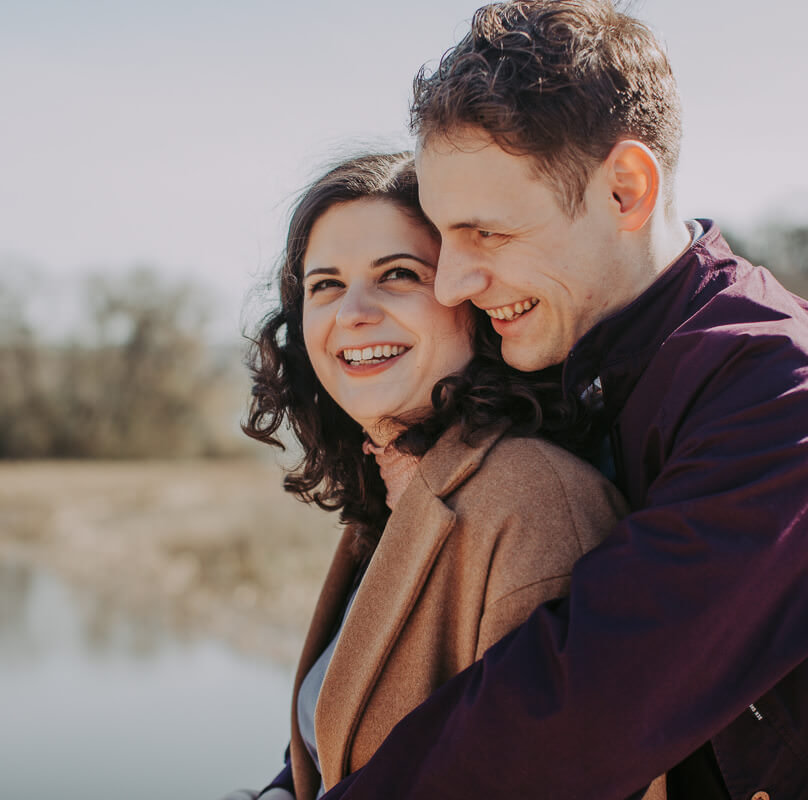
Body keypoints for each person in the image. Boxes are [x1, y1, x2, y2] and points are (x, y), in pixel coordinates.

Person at [313, 2, 808, 799]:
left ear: (626, 189)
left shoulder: (793, 398)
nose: (454, 280)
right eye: (444, 238)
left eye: (487, 234)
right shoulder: (545, 355)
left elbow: (576, 712)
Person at [226, 152, 665, 800]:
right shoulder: (392, 492)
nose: (352, 313)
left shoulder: (535, 505)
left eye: (397, 274)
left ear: (473, 298)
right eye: (324, 285)